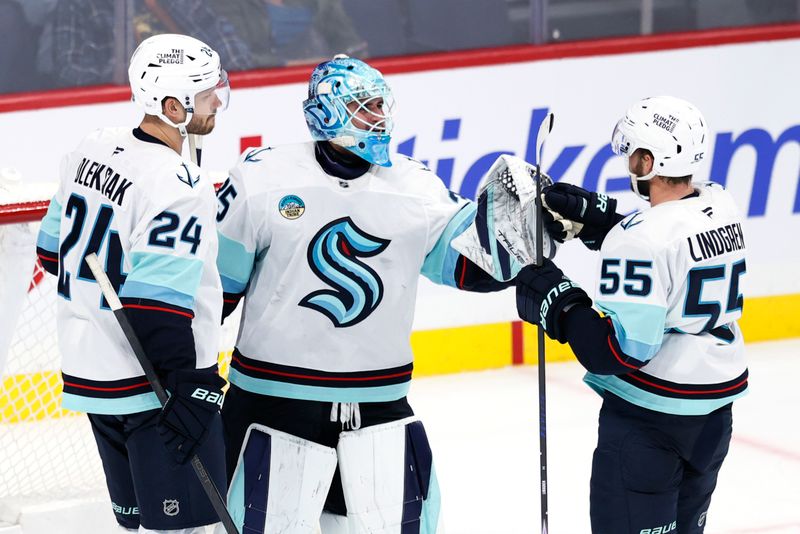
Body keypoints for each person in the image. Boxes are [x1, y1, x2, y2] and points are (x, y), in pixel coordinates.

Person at [215, 55, 518, 532]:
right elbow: (215, 292)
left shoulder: (415, 186)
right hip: (272, 402)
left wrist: (526, 232)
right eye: (365, 107)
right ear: (329, 113)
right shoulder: (262, 178)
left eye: (381, 105)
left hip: (378, 405)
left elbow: (473, 268)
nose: (380, 118)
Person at [515, 95, 748, 533]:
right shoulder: (721, 204)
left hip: (652, 424)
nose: (628, 161)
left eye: (633, 153)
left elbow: (618, 353)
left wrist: (560, 303)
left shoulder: (639, 240)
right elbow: (673, 248)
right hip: (715, 415)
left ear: (648, 160)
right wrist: (603, 220)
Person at [35, 33, 230, 533]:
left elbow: (50, 252)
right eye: (208, 93)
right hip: (153, 388)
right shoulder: (179, 185)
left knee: (140, 524)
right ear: (173, 105)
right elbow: (155, 308)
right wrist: (188, 388)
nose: (218, 100)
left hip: (92, 377)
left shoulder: (91, 146)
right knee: (187, 529)